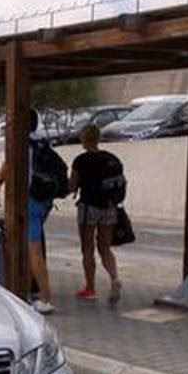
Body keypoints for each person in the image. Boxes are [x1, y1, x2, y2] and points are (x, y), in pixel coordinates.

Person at [0, 109, 55, 314]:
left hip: (31, 201)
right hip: (44, 200)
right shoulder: (39, 143)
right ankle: (26, 290)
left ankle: (45, 297)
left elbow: (7, 168)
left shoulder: (19, 145)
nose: (7, 126)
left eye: (10, 123)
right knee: (28, 247)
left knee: (34, 249)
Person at [69, 123, 123, 304]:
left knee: (87, 248)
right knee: (105, 247)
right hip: (109, 208)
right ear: (98, 138)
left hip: (88, 208)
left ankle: (90, 288)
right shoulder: (112, 158)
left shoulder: (81, 161)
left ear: (84, 139)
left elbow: (72, 186)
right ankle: (114, 278)